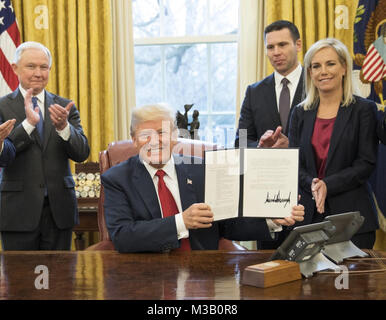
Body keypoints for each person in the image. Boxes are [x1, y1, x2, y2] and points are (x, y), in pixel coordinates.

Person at [102, 103, 305, 253]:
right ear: (134, 140)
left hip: (203, 273)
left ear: (175, 136)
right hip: (147, 276)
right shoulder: (117, 179)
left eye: (161, 132)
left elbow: (227, 224)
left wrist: (270, 219)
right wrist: (181, 222)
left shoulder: (203, 169)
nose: (155, 141)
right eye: (146, 134)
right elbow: (123, 237)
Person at [289, 38, 379, 249]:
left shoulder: (364, 110)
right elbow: (294, 164)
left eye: (330, 64)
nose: (323, 71)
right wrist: (312, 183)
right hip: (309, 218)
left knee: (352, 283)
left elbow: (365, 163)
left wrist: (328, 185)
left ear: (344, 68)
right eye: (316, 66)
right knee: (310, 282)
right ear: (310, 72)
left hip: (352, 220)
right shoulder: (300, 113)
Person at [0, 41, 90, 250]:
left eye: (43, 67)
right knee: (21, 281)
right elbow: (4, 158)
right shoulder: (3, 107)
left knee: (58, 280)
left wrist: (64, 128)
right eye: (31, 66)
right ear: (15, 68)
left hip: (59, 211)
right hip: (17, 211)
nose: (38, 73)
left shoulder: (64, 107)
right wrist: (28, 125)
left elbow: (81, 153)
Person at [235, 20, 304, 149]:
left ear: (298, 45)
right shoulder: (253, 92)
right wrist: (260, 146)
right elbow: (241, 141)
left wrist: (292, 145)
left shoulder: (317, 86)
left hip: (307, 168)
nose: (276, 52)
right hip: (265, 167)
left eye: (282, 45)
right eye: (270, 47)